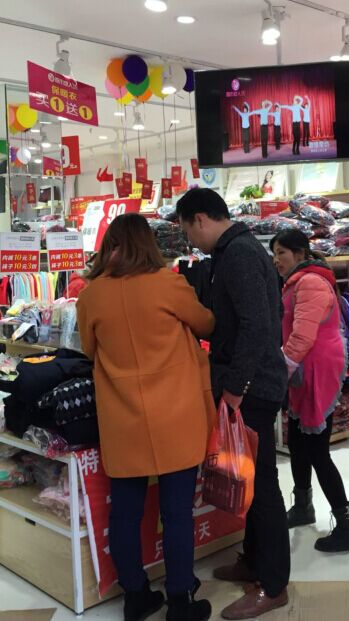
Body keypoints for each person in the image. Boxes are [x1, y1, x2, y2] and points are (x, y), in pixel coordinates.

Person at [76, 213, 216, 621]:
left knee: (125, 512)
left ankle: (135, 596)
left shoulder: (91, 295)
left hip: (123, 418)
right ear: (149, 245)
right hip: (176, 415)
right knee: (177, 513)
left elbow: (89, 349)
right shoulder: (168, 283)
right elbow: (206, 323)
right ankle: (180, 601)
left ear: (110, 246)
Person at [176, 188, 290, 621]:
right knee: (251, 479)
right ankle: (255, 561)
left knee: (262, 485)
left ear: (200, 219)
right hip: (251, 381)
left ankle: (273, 585)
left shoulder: (239, 254)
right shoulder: (234, 251)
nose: (189, 241)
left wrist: (237, 386)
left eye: (187, 231)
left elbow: (257, 326)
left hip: (253, 386)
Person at [270, 230, 349, 552]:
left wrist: (279, 373)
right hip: (304, 369)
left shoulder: (309, 282)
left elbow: (302, 336)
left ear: (299, 253)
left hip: (316, 370)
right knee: (298, 441)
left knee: (317, 450)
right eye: (274, 253)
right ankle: (303, 506)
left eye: (281, 252)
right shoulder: (298, 281)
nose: (277, 260)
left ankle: (348, 526)